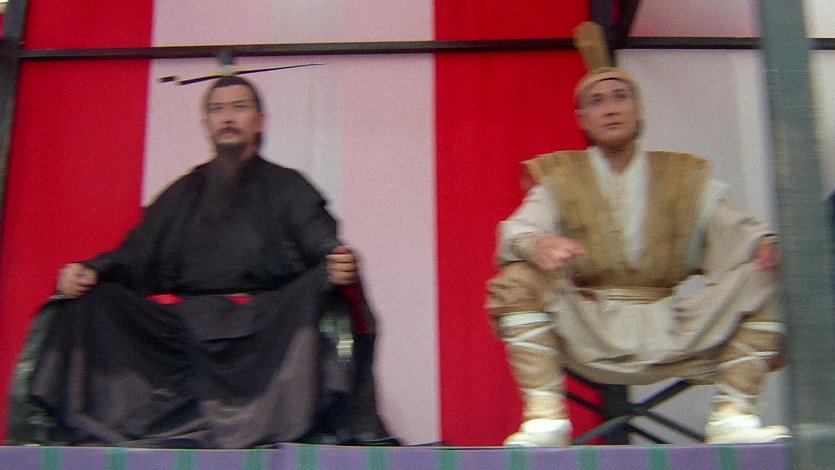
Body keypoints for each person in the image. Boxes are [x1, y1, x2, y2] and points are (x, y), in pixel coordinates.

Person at [8, 75, 392, 448]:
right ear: (206, 124)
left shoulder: (289, 186)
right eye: (217, 110)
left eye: (239, 108)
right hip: (181, 327)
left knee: (322, 290)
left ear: (260, 120)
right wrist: (91, 271)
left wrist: (336, 262)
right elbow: (135, 257)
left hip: (266, 324)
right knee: (87, 302)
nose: (228, 118)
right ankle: (52, 422)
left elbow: (320, 241)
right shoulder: (180, 194)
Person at [486, 22, 790, 447]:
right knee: (517, 280)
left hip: (674, 325)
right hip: (589, 325)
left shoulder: (681, 176)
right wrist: (537, 244)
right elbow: (518, 229)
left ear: (639, 110)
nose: (610, 109)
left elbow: (739, 232)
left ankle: (733, 412)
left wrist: (765, 245)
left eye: (620, 97)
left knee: (774, 277)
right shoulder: (560, 178)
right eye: (596, 101)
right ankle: (545, 416)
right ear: (582, 119)